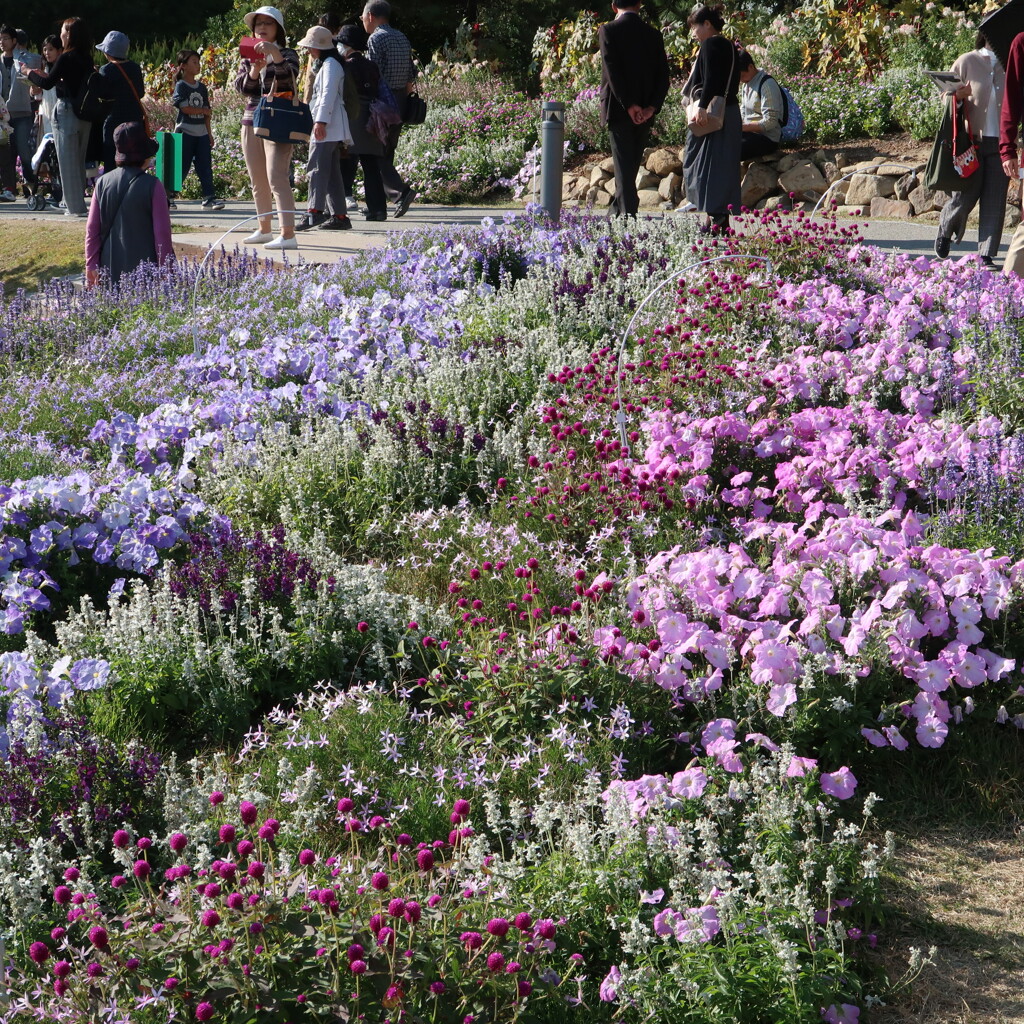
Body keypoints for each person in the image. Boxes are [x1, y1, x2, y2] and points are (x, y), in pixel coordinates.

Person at [234, 4, 300, 250]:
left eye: (268, 23)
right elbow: (242, 90)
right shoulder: (248, 55)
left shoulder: (289, 53)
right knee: (257, 179)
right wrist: (254, 70)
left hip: (279, 121)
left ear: (278, 29)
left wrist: (275, 55)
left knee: (277, 177)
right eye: (258, 23)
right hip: (252, 120)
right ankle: (264, 228)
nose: (262, 27)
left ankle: (288, 233)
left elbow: (289, 78)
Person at [597, 0, 670, 217]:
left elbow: (612, 72)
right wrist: (651, 107)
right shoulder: (653, 34)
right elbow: (663, 77)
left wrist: (629, 105)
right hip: (645, 113)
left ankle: (627, 217)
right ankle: (616, 214)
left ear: (613, 6)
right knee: (628, 167)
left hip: (619, 110)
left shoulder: (608, 30)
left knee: (623, 168)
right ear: (639, 4)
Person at [85, 120, 172, 285]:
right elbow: (162, 233)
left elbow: (92, 230)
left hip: (109, 268)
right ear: (144, 154)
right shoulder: (153, 185)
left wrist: (91, 264)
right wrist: (166, 269)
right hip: (146, 271)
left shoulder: (102, 183)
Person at [22, 17, 93, 216]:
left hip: (66, 112)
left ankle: (74, 208)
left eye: (63, 31)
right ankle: (80, 204)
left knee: (67, 161)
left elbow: (47, 84)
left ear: (69, 34)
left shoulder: (66, 57)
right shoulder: (86, 57)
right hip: (84, 113)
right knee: (78, 161)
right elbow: (71, 84)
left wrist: (28, 72)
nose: (61, 34)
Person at [682, 4, 741, 234]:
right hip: (730, 111)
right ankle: (718, 220)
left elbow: (711, 79)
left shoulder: (710, 43)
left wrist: (702, 106)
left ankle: (717, 220)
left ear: (707, 24)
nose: (693, 33)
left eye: (695, 27)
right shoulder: (728, 44)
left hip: (714, 113)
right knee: (720, 166)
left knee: (700, 163)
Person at [361, 0, 416, 217]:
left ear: (371, 16)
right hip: (401, 97)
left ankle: (401, 192)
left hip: (383, 100)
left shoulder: (376, 38)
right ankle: (380, 202)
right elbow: (411, 73)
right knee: (388, 150)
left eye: (363, 17)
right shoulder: (401, 37)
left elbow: (372, 73)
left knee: (376, 153)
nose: (363, 21)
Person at [296, 24, 352, 231]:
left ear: (319, 47)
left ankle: (315, 211)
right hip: (331, 123)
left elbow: (327, 95)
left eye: (310, 46)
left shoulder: (329, 65)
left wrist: (320, 122)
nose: (308, 50)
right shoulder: (331, 63)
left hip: (327, 124)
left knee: (317, 167)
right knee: (331, 172)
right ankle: (339, 215)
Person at [337, 23, 388, 222]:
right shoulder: (371, 65)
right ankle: (378, 209)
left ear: (347, 45)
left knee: (343, 162)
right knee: (371, 165)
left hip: (352, 116)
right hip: (373, 117)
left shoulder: (345, 66)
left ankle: (338, 209)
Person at [172, 49, 224, 210]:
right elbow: (185, 108)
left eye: (198, 62)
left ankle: (209, 197)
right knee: (181, 166)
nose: (198, 65)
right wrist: (202, 111)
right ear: (183, 66)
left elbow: (207, 113)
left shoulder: (201, 87)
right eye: (194, 62)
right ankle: (169, 196)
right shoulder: (181, 86)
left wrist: (209, 134)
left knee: (205, 166)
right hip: (185, 132)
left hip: (201, 133)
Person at [95, 31, 146, 175]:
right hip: (133, 120)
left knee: (111, 160)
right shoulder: (135, 68)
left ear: (107, 51)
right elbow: (140, 93)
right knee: (133, 158)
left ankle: (112, 191)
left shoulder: (106, 70)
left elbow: (102, 95)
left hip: (113, 120)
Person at [1, 23, 40, 197]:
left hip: (22, 113)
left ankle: (31, 184)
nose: (2, 42)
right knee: (6, 154)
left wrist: (19, 57)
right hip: (3, 116)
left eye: (6, 38)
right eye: (0, 38)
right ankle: (9, 188)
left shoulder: (24, 58)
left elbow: (38, 61)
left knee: (25, 152)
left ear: (14, 40)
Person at [737, 50, 782, 160]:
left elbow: (770, 121)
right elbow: (743, 113)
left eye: (742, 76)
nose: (741, 80)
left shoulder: (767, 84)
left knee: (734, 149)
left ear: (751, 67)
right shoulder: (746, 85)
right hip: (749, 134)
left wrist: (742, 128)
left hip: (767, 138)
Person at [36, 35, 62, 139]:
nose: (47, 53)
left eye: (51, 49)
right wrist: (34, 90)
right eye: (45, 49)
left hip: (60, 110)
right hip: (46, 112)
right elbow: (38, 94)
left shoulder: (62, 66)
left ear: (59, 50)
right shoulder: (44, 67)